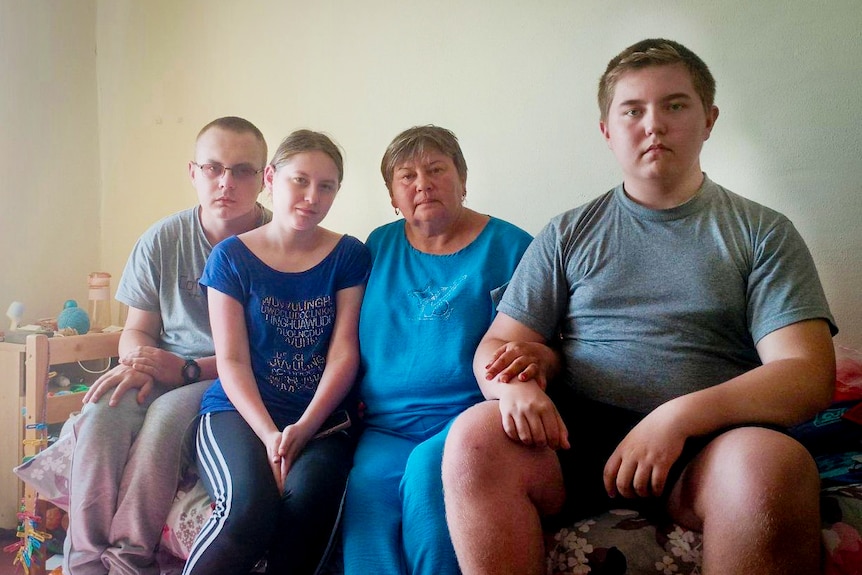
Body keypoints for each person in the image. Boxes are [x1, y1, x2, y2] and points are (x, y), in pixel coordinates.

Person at [442, 38, 838, 575]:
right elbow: (501, 342)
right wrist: (511, 388)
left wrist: (674, 418)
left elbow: (806, 373)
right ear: (608, 130)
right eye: (633, 110)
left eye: (675, 105)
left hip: (708, 446)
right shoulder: (566, 233)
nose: (654, 124)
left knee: (776, 464)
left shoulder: (762, 232)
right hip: (574, 441)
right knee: (472, 437)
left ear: (709, 119)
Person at [65, 116, 272, 575]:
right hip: (161, 368)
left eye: (242, 170)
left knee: (166, 417)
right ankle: (83, 561)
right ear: (193, 172)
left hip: (225, 375)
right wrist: (138, 360)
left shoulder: (278, 245)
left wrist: (184, 370)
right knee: (101, 409)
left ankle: (127, 558)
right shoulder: (163, 239)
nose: (226, 182)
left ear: (264, 178)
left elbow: (265, 355)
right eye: (213, 167)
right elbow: (137, 329)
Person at [341, 125, 536, 575]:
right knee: (366, 514)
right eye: (406, 176)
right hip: (386, 427)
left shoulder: (513, 248)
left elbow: (536, 344)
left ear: (463, 180)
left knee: (430, 500)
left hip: (467, 427)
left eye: (435, 170)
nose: (422, 184)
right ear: (392, 195)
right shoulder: (377, 246)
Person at [181, 129, 370, 575]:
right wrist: (270, 437)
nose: (311, 196)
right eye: (299, 180)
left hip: (321, 420)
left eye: (326, 186)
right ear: (271, 178)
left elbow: (344, 352)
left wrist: (304, 427)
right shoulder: (230, 258)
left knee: (307, 503)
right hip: (238, 414)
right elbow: (230, 360)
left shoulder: (349, 255)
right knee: (248, 508)